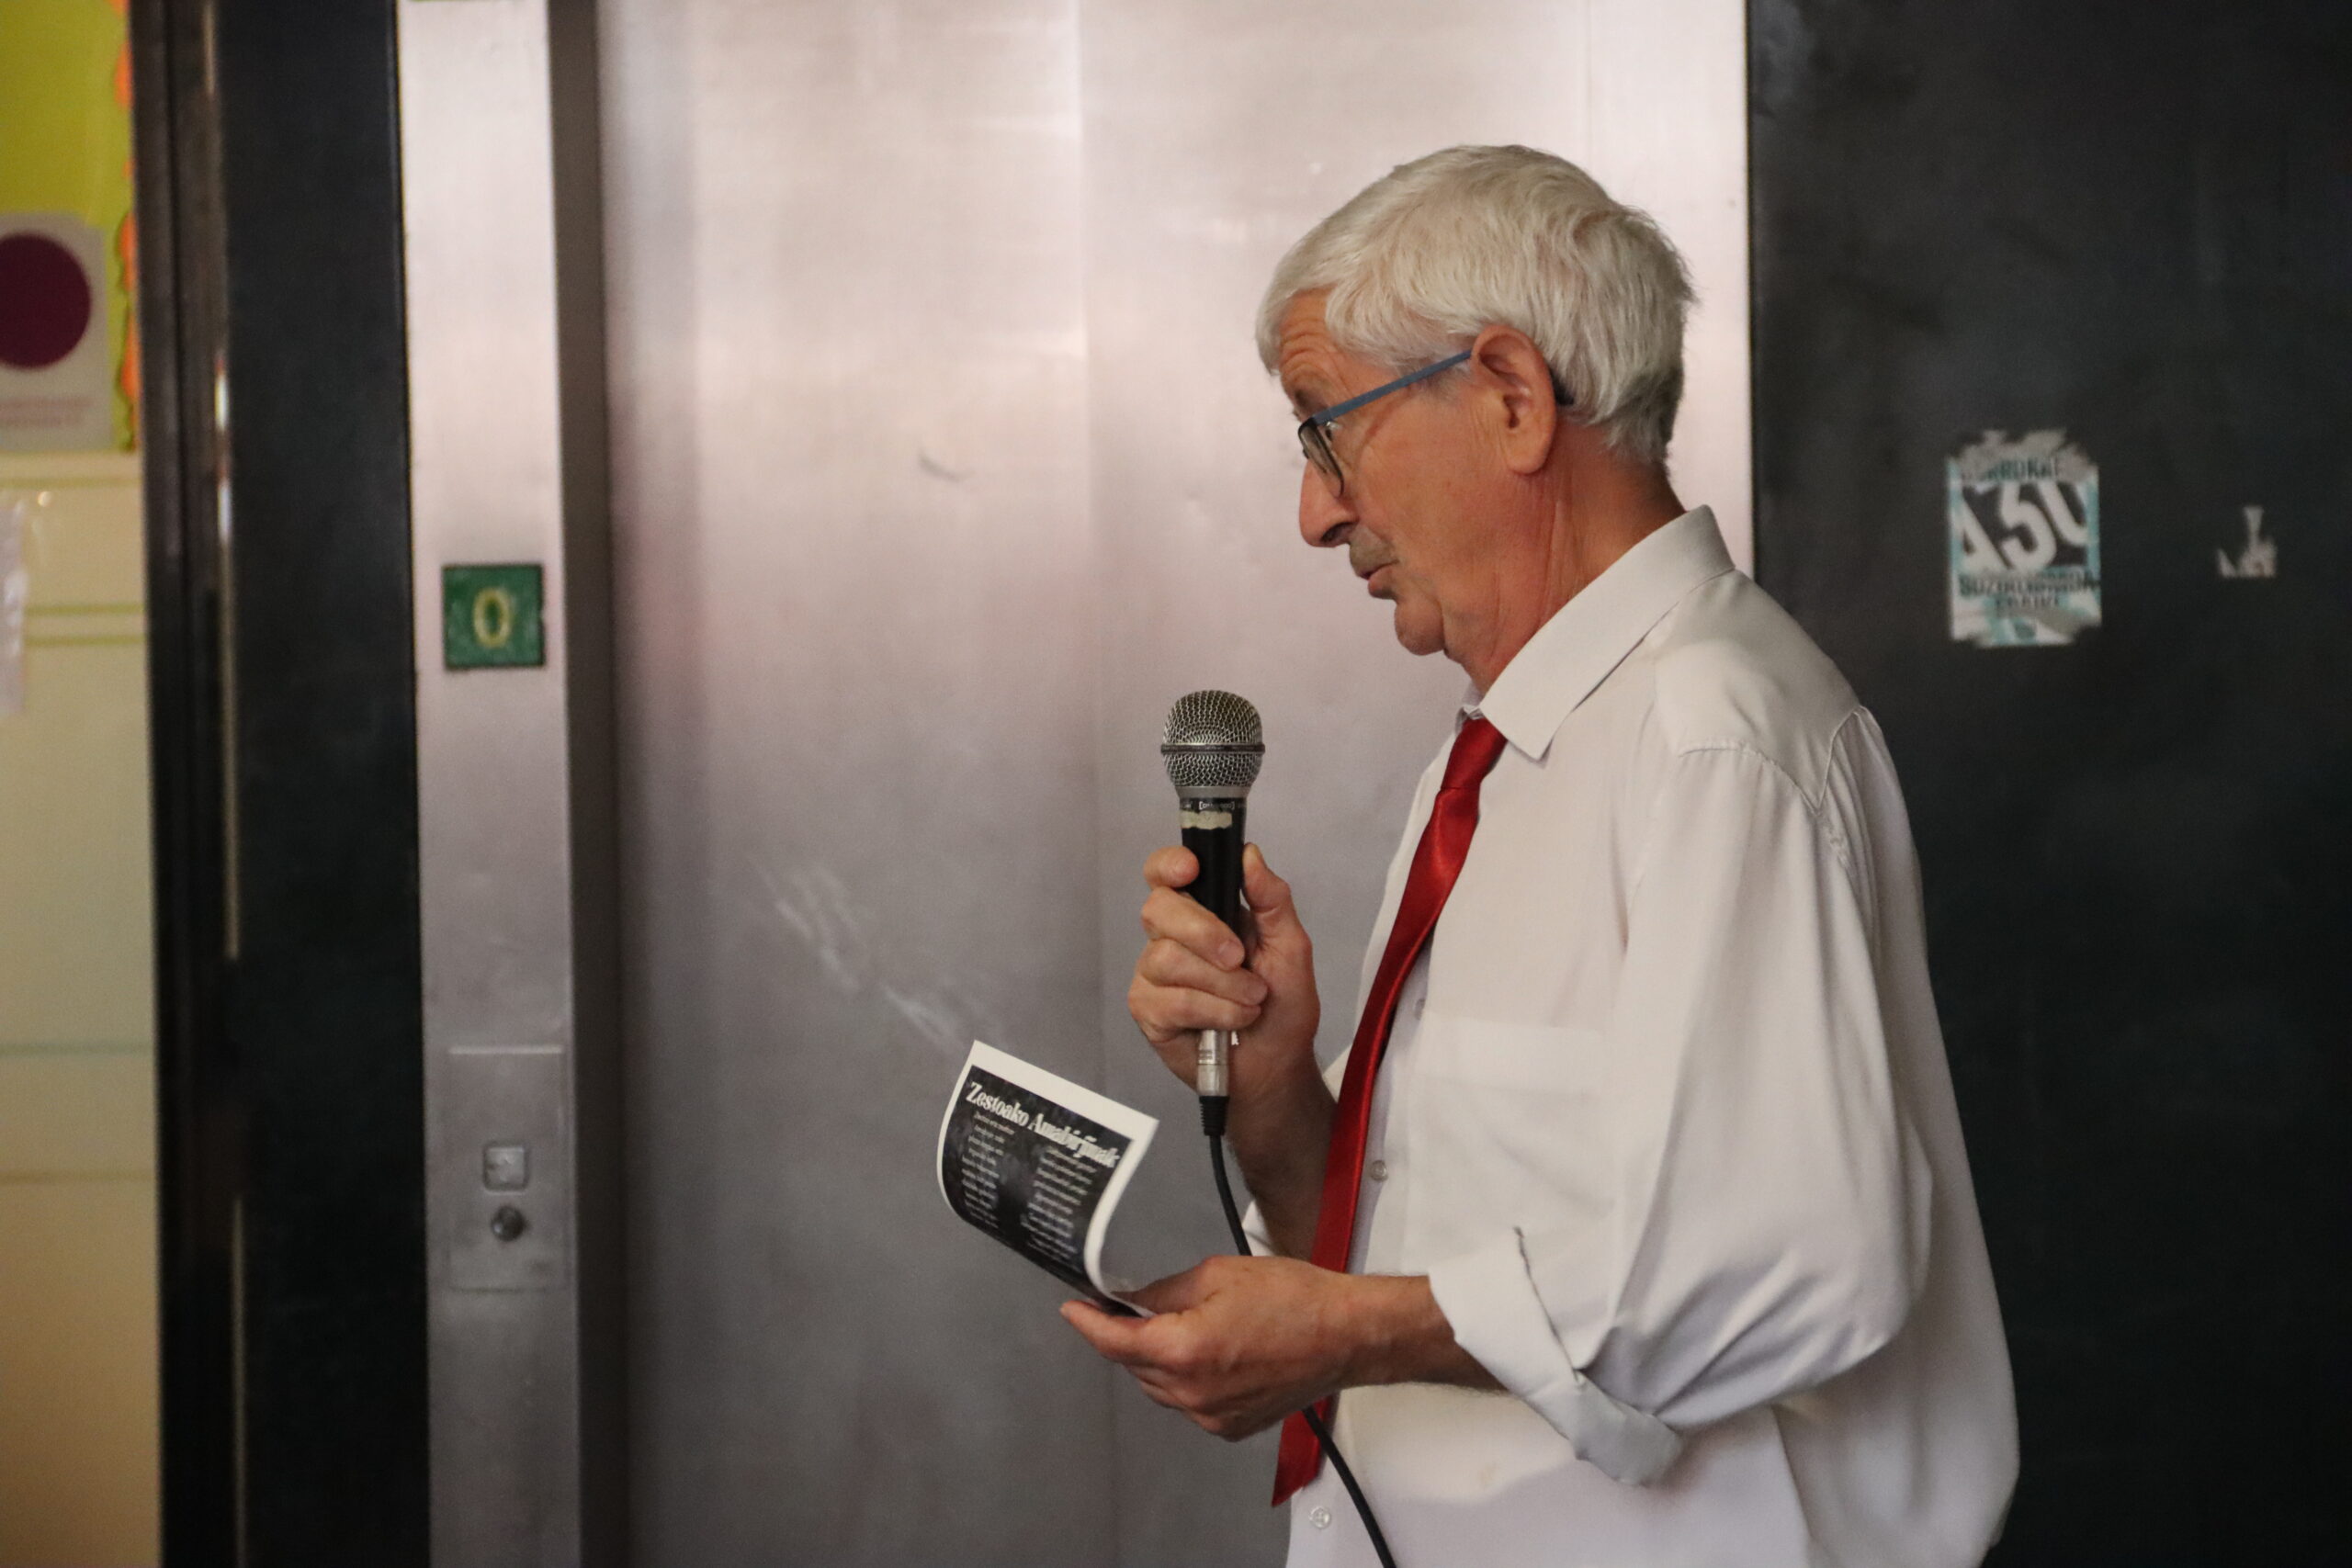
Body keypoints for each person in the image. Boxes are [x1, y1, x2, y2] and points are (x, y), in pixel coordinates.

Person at [1060, 145, 2018, 1567]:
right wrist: (1271, 1091)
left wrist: (1350, 1334)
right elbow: (1413, 1244)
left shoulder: (1710, 735)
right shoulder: (1513, 751)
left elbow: (1797, 1262)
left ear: (1511, 395)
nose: (1315, 513)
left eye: (1326, 432)